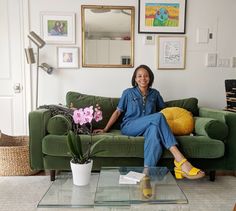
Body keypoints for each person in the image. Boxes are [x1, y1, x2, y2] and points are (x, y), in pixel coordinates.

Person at [94, 64, 205, 181]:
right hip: (130, 126)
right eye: (139, 76)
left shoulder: (155, 94)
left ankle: (146, 174)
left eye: (146, 76)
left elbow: (165, 111)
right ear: (135, 79)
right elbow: (117, 112)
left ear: (150, 78)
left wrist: (186, 115)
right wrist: (105, 129)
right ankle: (180, 160)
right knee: (158, 117)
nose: (143, 78)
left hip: (148, 127)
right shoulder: (127, 93)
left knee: (154, 131)